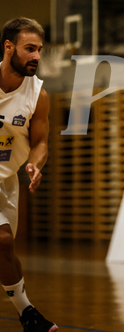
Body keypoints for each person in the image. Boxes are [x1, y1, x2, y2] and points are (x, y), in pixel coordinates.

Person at [0, 18, 56, 332]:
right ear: (9, 48)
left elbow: (41, 142)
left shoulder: (39, 95)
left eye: (39, 50)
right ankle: (29, 315)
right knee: (2, 239)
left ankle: (27, 314)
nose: (36, 56)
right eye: (29, 49)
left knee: (5, 250)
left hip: (7, 180)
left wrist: (35, 164)